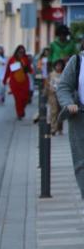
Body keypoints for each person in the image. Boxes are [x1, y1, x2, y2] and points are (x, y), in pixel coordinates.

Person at [57, 48, 84, 199]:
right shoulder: (78, 61)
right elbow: (63, 87)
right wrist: (68, 103)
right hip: (80, 117)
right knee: (81, 161)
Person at [3, 45, 33, 120]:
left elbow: (30, 69)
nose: (21, 53)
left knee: (25, 98)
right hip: (15, 83)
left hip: (24, 82)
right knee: (18, 99)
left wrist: (24, 65)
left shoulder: (25, 59)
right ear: (16, 52)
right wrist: (4, 80)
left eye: (22, 52)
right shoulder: (12, 59)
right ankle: (19, 113)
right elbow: (8, 70)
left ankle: (22, 110)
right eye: (20, 52)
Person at [45, 59, 65, 135]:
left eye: (60, 65)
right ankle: (53, 128)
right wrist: (48, 91)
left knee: (61, 111)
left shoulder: (64, 74)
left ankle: (60, 127)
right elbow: (47, 84)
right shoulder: (51, 74)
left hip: (62, 95)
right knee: (54, 111)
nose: (58, 67)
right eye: (57, 65)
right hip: (52, 94)